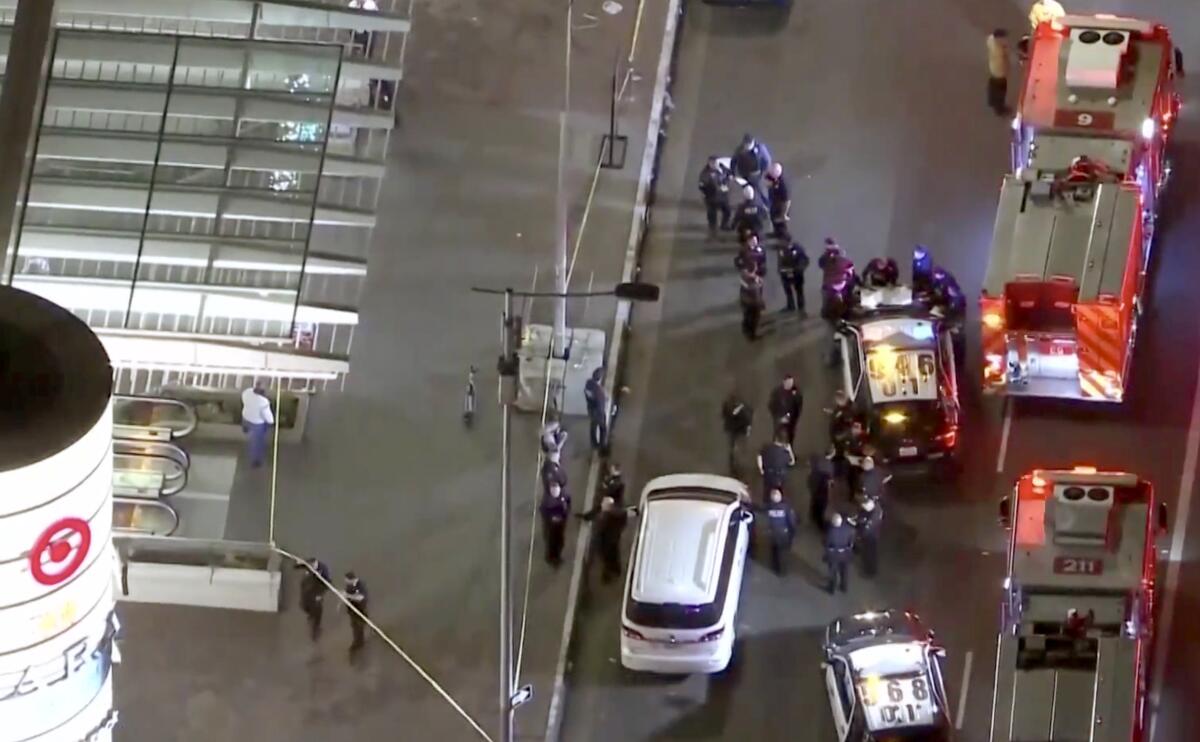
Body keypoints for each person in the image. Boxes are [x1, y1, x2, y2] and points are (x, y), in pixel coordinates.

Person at [578, 496, 634, 582]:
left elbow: (601, 530)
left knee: (609, 557)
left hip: (609, 541)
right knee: (609, 557)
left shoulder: (611, 516)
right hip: (609, 540)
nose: (602, 507)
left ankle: (611, 572)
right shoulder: (611, 512)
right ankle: (613, 571)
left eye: (604, 506)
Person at [759, 489, 797, 575]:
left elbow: (761, 510)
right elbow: (791, 521)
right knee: (782, 553)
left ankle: (775, 565)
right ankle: (782, 571)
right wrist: (792, 533)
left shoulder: (769, 507)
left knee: (774, 550)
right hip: (783, 534)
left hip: (773, 534)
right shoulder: (786, 508)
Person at [296, 557, 331, 641]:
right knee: (304, 605)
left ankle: (316, 629)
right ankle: (311, 614)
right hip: (308, 590)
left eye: (312, 566)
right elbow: (298, 566)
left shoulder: (323, 569)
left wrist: (320, 595)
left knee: (317, 609)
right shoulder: (309, 565)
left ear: (316, 563)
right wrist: (298, 563)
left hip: (317, 591)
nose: (310, 567)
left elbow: (327, 584)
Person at [240, 382, 275, 468]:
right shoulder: (263, 402)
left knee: (246, 423)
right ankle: (255, 460)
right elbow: (267, 415)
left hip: (246, 416)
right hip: (257, 423)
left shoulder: (247, 392)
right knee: (256, 442)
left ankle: (245, 429)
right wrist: (271, 422)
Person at [722, 391, 754, 476]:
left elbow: (748, 418)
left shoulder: (744, 408)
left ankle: (736, 465)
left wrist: (748, 428)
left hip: (739, 430)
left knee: (737, 449)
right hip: (735, 430)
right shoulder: (731, 406)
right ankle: (735, 465)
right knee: (735, 449)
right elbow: (729, 414)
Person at [698, 156, 732, 234]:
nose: (716, 165)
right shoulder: (705, 174)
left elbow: (728, 173)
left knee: (727, 211)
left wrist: (728, 178)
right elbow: (702, 186)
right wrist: (714, 190)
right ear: (710, 164)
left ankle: (724, 225)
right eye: (714, 164)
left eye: (717, 163)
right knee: (712, 214)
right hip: (712, 198)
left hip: (723, 196)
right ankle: (713, 229)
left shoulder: (721, 167)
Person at [541, 482, 572, 566]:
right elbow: (544, 512)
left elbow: (568, 505)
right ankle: (551, 557)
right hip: (552, 526)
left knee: (559, 542)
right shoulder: (548, 501)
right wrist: (551, 519)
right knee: (552, 542)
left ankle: (557, 556)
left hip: (560, 525)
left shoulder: (563, 497)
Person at [758, 431, 796, 499]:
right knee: (780, 495)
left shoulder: (766, 448)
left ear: (775, 438)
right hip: (780, 477)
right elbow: (792, 462)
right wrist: (790, 450)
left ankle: (768, 507)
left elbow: (759, 456)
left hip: (769, 476)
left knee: (767, 494)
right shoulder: (785, 452)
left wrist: (761, 468)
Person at [824, 513, 856, 593]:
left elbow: (828, 543)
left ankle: (831, 589)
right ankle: (843, 587)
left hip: (834, 555)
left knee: (833, 571)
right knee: (844, 571)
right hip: (845, 554)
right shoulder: (848, 529)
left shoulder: (831, 532)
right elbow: (851, 539)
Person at [851, 496, 883, 577]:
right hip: (869, 533)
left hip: (871, 536)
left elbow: (867, 527)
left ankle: (870, 571)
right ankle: (856, 549)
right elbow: (862, 515)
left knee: (869, 554)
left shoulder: (874, 517)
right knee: (866, 550)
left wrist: (860, 533)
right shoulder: (874, 506)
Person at [768, 374, 803, 446]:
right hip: (779, 419)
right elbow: (771, 405)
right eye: (789, 383)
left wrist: (792, 417)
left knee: (790, 436)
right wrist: (778, 417)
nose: (790, 385)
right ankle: (776, 449)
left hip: (791, 421)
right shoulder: (777, 392)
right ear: (784, 382)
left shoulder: (796, 391)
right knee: (778, 434)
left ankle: (789, 449)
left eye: (791, 383)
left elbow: (798, 406)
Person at [776, 240, 809, 314]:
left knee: (799, 290)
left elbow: (804, 260)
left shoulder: (798, 249)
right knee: (788, 290)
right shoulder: (781, 249)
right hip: (786, 273)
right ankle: (791, 306)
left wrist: (799, 269)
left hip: (797, 273)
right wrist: (781, 270)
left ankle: (801, 307)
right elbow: (780, 261)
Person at [807, 450, 835, 529]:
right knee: (822, 506)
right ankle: (820, 523)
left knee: (814, 501)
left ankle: (813, 515)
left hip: (814, 486)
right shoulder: (829, 466)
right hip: (822, 489)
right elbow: (830, 481)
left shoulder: (820, 461)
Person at [987, 29, 1011, 116]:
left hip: (993, 69)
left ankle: (992, 102)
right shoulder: (998, 49)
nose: (1005, 39)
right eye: (1003, 38)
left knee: (993, 86)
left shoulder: (990, 40)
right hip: (999, 71)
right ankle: (1000, 109)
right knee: (1000, 91)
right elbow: (1003, 59)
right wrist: (1005, 48)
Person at [344, 571, 369, 654]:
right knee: (355, 626)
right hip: (353, 611)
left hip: (360, 610)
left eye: (346, 580)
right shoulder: (349, 586)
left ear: (351, 579)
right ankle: (358, 641)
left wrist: (347, 596)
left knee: (359, 626)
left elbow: (360, 597)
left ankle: (359, 643)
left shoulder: (361, 585)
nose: (345, 582)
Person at [583, 367, 608, 451]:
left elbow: (589, 396)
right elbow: (598, 400)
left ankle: (594, 444)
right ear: (600, 378)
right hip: (598, 410)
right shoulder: (597, 388)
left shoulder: (589, 383)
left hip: (592, 409)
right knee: (603, 428)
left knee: (593, 426)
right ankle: (601, 445)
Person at [764, 162, 791, 238]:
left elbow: (787, 201)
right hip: (774, 202)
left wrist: (783, 214)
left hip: (780, 206)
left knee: (780, 223)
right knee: (774, 219)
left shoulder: (784, 186)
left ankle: (783, 238)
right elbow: (767, 178)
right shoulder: (773, 173)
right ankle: (776, 233)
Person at [739, 268, 765, 341]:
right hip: (751, 302)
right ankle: (750, 334)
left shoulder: (745, 277)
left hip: (747, 301)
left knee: (749, 316)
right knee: (752, 318)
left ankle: (747, 331)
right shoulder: (749, 281)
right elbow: (755, 292)